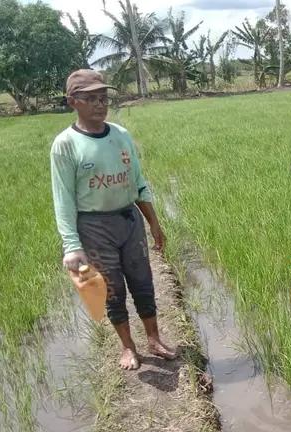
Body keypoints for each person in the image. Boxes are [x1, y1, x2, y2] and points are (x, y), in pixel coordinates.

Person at [50, 69, 175, 370]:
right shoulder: (65, 145)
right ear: (73, 102)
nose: (99, 104)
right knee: (111, 289)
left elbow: (138, 182)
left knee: (143, 281)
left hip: (129, 220)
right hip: (94, 227)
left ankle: (154, 338)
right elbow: (63, 199)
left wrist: (154, 223)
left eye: (103, 98)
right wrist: (72, 246)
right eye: (90, 98)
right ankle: (128, 347)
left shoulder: (120, 135)